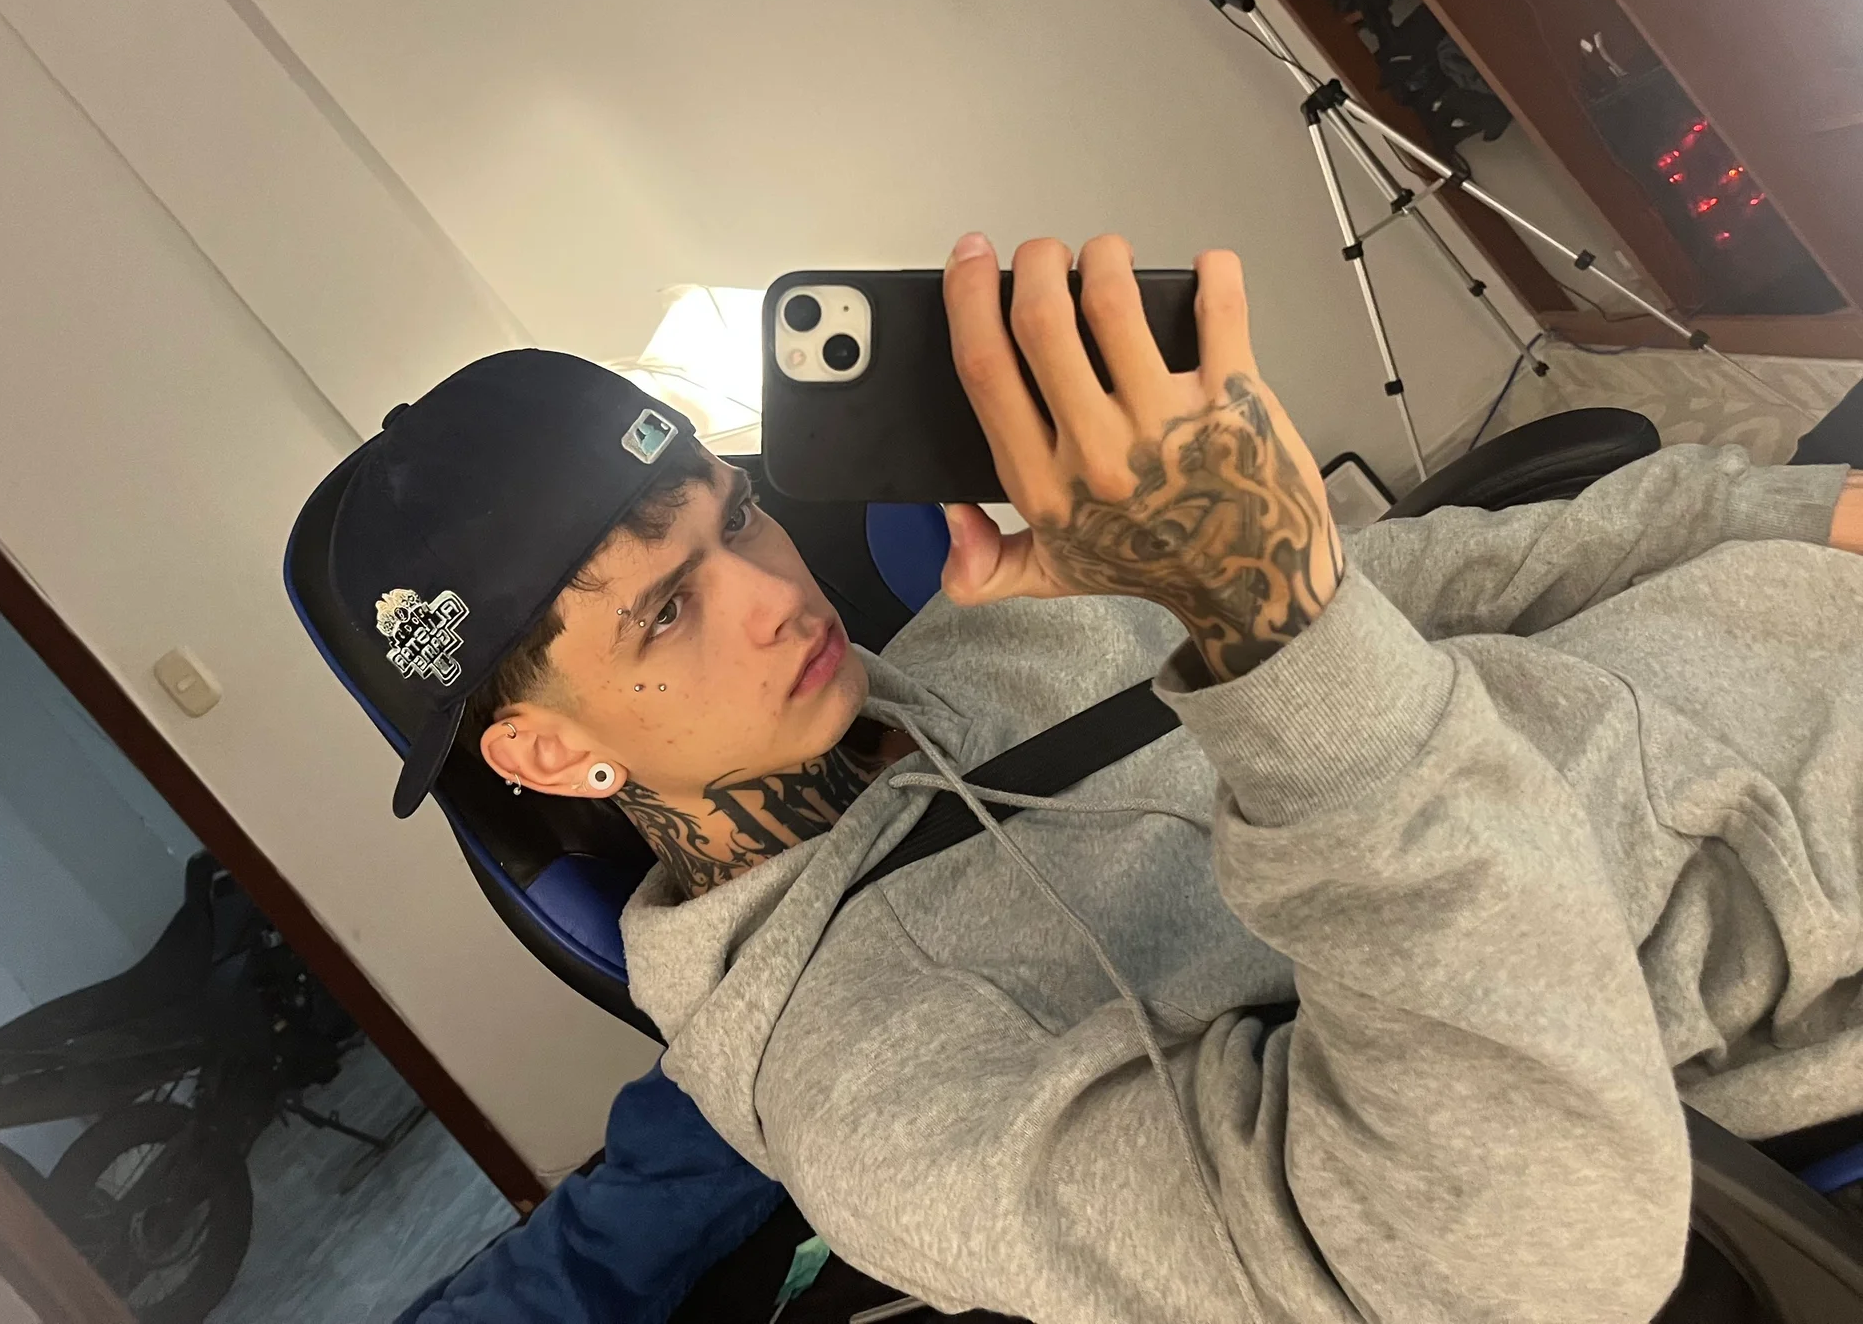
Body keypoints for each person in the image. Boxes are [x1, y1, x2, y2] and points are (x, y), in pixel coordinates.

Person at [295, 233, 1863, 1324]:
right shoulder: (865, 1090)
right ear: (547, 750)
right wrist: (1270, 629)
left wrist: (1791, 508)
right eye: (664, 608)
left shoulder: (986, 624)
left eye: (740, 514)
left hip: (1790, 593)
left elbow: (1443, 575)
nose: (774, 594)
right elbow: (1512, 1254)